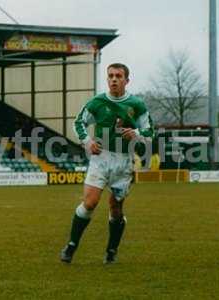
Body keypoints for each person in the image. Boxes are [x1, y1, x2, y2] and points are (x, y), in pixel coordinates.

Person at [60, 63, 154, 264]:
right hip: (100, 159)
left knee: (115, 208)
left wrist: (136, 133)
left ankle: (111, 250)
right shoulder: (97, 102)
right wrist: (88, 141)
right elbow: (79, 122)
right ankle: (71, 245)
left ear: (126, 80)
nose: (113, 79)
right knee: (90, 202)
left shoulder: (137, 105)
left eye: (118, 76)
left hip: (124, 162)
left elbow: (150, 131)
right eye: (110, 75)